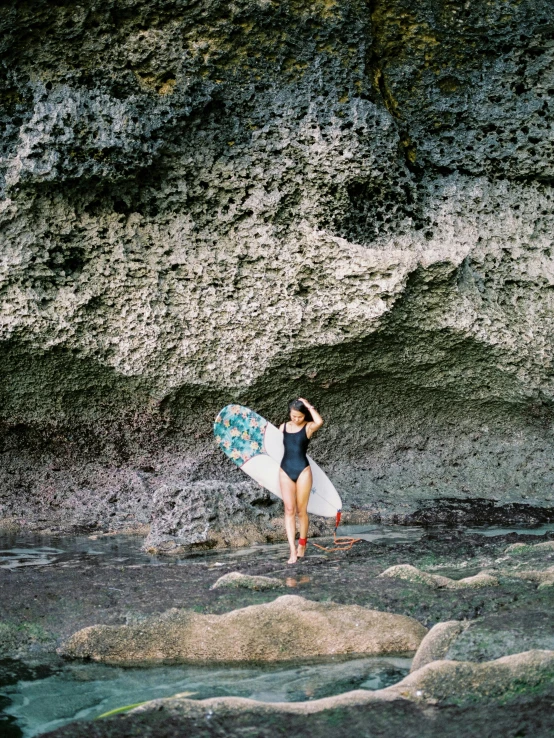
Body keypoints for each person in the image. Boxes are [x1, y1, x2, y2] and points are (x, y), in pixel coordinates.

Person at [278, 397, 323, 564]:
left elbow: (319, 421)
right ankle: (292, 551)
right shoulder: (283, 427)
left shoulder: (308, 427)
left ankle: (302, 545)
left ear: (304, 416)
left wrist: (308, 406)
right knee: (289, 509)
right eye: (293, 415)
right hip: (285, 470)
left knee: (301, 511)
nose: (295, 419)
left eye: (299, 416)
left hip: (303, 470)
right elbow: (275, 449)